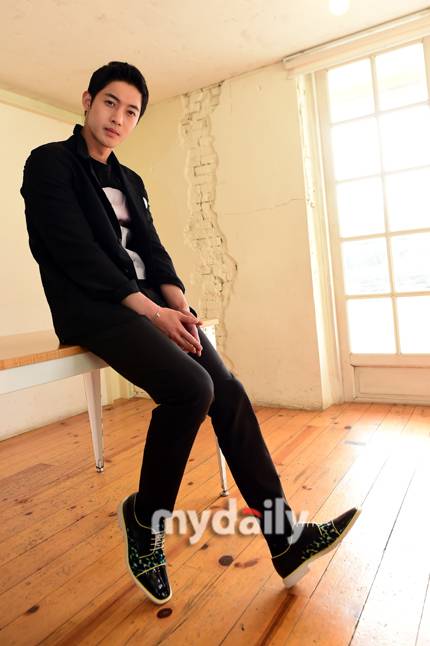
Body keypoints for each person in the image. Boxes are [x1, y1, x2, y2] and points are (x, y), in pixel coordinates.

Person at [21, 61, 360, 605]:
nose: (118, 118)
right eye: (110, 103)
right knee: (191, 389)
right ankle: (145, 520)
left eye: (131, 111)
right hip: (92, 306)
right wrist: (151, 312)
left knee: (228, 392)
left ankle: (286, 539)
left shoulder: (131, 181)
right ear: (87, 101)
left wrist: (177, 303)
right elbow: (74, 253)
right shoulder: (49, 164)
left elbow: (152, 251)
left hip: (150, 306)